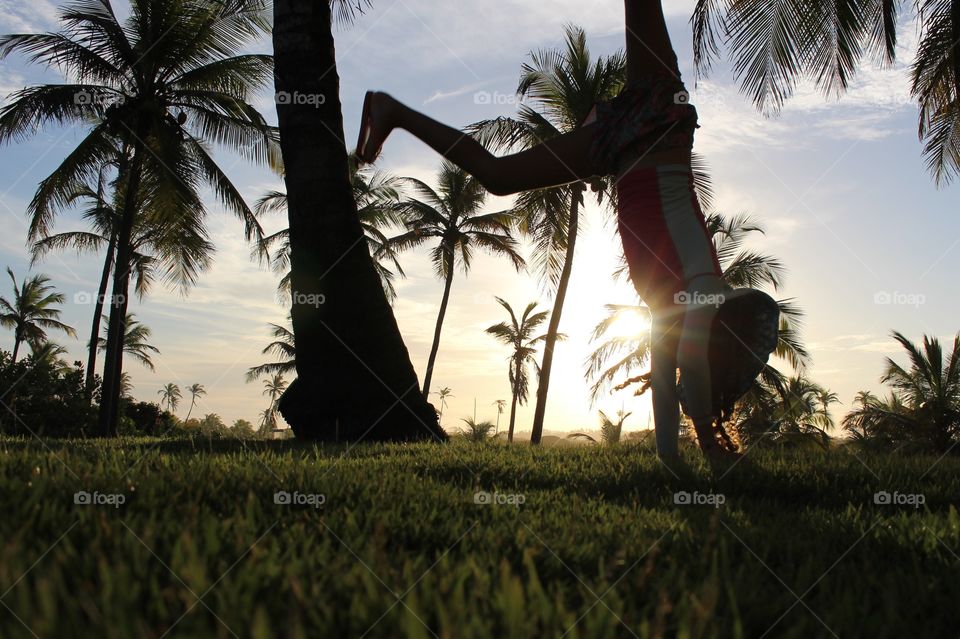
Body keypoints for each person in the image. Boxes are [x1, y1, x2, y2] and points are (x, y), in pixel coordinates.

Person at [356, 1, 743, 466]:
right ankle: (392, 110)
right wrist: (710, 442)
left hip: (616, 148)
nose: (689, 360)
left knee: (497, 177)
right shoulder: (706, 294)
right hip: (658, 121)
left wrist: (678, 462)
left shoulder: (668, 314)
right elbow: (691, 372)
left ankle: (394, 111)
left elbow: (669, 387)